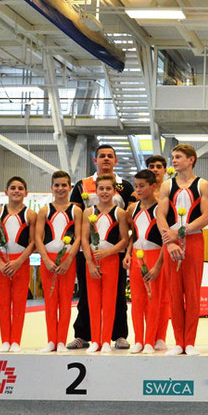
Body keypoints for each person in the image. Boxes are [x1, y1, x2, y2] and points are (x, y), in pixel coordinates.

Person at [68, 145, 135, 350]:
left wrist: (125, 248)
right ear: (95, 160)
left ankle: (119, 335)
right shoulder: (82, 184)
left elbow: (132, 216)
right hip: (87, 250)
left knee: (117, 296)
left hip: (115, 252)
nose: (106, 159)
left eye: (110, 156)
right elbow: (75, 216)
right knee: (87, 295)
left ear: (115, 161)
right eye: (102, 156)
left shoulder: (126, 187)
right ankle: (83, 334)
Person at [157, 144, 208, 355]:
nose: (173, 160)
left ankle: (189, 342)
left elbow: (207, 217)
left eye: (178, 157)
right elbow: (160, 215)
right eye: (173, 157)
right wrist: (169, 242)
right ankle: (178, 342)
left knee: (191, 294)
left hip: (193, 240)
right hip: (169, 242)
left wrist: (180, 232)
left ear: (191, 160)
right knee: (174, 294)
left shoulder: (203, 185)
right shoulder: (166, 186)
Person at [0, 176, 36, 352]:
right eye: (13, 188)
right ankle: (5, 341)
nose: (16, 191)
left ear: (26, 193)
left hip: (21, 263)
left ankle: (16, 340)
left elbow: (33, 242)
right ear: (6, 192)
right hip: (3, 263)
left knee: (19, 303)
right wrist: (0, 262)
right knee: (4, 304)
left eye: (20, 188)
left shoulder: (30, 214)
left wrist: (19, 261)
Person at [34, 171, 81, 352]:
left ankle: (61, 340)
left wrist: (69, 259)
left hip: (67, 261)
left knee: (65, 301)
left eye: (64, 185)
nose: (60, 188)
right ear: (52, 187)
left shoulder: (76, 210)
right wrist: (45, 258)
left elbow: (78, 237)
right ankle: (51, 340)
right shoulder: (44, 210)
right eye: (57, 185)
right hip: (49, 260)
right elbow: (38, 237)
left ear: (69, 187)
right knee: (51, 301)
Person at [83, 174, 129, 353]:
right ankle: (95, 339)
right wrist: (91, 262)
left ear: (114, 190)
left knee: (109, 302)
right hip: (93, 260)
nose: (104, 192)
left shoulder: (119, 213)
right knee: (93, 301)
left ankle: (106, 340)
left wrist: (108, 253)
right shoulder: (89, 212)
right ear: (96, 190)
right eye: (101, 188)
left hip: (111, 259)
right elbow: (84, 240)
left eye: (108, 188)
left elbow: (124, 239)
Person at [125, 170, 165, 354]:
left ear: (153, 186)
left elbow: (167, 239)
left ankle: (150, 340)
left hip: (155, 255)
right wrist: (127, 253)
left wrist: (158, 265)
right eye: (136, 186)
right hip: (136, 255)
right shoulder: (132, 209)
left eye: (142, 186)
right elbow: (132, 234)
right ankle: (138, 340)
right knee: (137, 301)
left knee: (153, 301)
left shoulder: (161, 208)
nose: (138, 190)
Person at [145, 154, 171, 350]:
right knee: (145, 298)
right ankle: (145, 336)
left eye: (158, 166)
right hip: (143, 250)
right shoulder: (139, 195)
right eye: (151, 166)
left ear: (164, 170)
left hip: (166, 247)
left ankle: (160, 335)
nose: (155, 169)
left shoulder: (170, 191)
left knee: (163, 297)